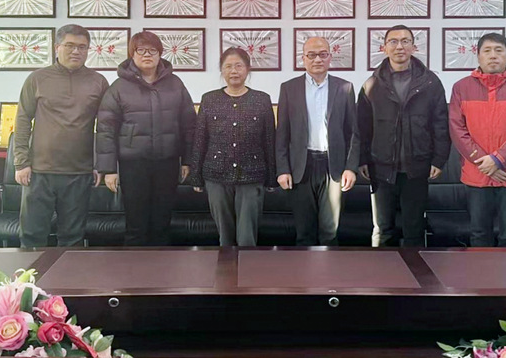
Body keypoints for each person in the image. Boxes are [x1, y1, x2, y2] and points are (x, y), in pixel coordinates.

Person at [95, 31, 196, 246]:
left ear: (160, 54)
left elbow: (189, 125)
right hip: (133, 165)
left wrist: (188, 160)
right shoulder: (118, 88)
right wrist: (109, 169)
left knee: (162, 222)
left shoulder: (175, 84)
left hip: (167, 163)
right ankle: (134, 266)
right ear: (132, 54)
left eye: (152, 50)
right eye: (141, 50)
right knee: (136, 224)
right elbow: (105, 130)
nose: (147, 55)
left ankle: (162, 265)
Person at [354, 25, 450, 247]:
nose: (400, 46)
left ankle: (414, 270)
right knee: (383, 229)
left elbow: (440, 124)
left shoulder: (430, 83)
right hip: (381, 168)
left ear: (414, 47)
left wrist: (439, 159)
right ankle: (383, 270)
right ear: (384, 47)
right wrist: (362, 159)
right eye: (394, 41)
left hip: (417, 167)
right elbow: (362, 127)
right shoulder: (372, 84)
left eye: (405, 41)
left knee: (414, 229)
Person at [14, 24, 109, 249]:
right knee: (32, 236)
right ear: (57, 47)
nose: (76, 51)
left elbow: (106, 127)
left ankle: (68, 275)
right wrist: (21, 162)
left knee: (72, 239)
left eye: (82, 47)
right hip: (39, 171)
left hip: (79, 171)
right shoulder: (37, 79)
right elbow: (22, 120)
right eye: (70, 46)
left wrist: (100, 163)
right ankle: (31, 274)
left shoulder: (98, 81)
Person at [449, 32, 506, 247]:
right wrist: (485, 163)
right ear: (478, 56)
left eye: (499, 51)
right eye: (487, 51)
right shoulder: (461, 88)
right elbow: (457, 129)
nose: (493, 55)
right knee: (479, 234)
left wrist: (498, 160)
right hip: (477, 172)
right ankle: (480, 272)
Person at [276, 37, 358, 246]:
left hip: (334, 166)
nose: (317, 59)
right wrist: (282, 169)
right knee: (304, 231)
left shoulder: (345, 87)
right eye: (311, 55)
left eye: (323, 54)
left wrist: (351, 168)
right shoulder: (289, 88)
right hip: (301, 166)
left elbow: (353, 133)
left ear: (330, 57)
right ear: (303, 58)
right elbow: (282, 133)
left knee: (330, 231)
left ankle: (329, 268)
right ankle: (304, 269)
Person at [190, 47, 276, 246]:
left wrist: (272, 178)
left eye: (239, 66)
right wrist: (196, 176)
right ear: (222, 70)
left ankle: (248, 267)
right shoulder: (209, 99)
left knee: (247, 237)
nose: (234, 71)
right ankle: (226, 267)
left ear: (248, 69)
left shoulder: (262, 100)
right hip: (216, 176)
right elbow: (200, 139)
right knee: (225, 238)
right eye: (228, 66)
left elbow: (269, 140)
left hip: (252, 176)